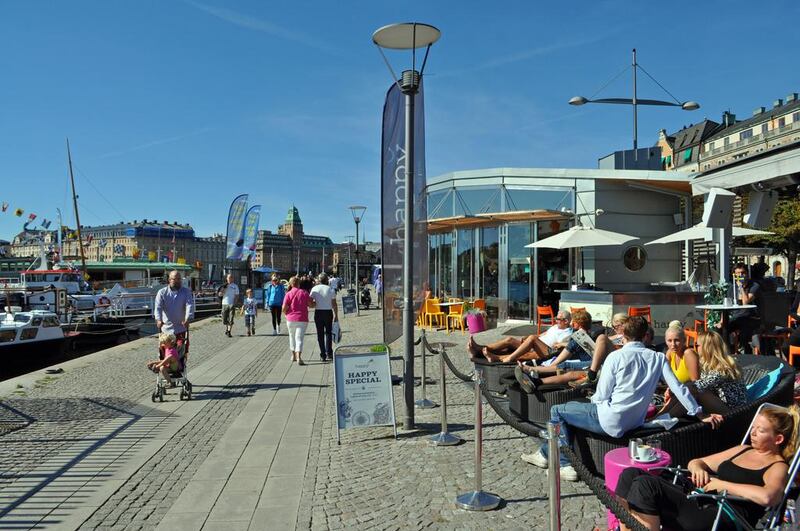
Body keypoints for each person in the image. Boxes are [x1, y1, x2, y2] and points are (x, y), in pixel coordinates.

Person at [521, 316, 723, 481]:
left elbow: (601, 395)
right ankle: (545, 453)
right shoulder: (658, 358)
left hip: (610, 420)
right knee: (571, 410)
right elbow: (679, 389)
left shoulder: (615, 357)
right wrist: (699, 413)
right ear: (645, 336)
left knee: (558, 410)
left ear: (622, 335)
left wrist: (591, 403)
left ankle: (563, 464)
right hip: (635, 421)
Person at [615, 405, 800, 531]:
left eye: (761, 430)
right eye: (754, 427)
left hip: (724, 514)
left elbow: (769, 496)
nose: (753, 432)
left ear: (778, 439)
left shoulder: (777, 466)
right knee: (630, 474)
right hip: (701, 498)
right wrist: (699, 470)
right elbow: (696, 462)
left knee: (646, 485)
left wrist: (722, 484)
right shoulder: (742, 450)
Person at [660, 329, 747, 418]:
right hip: (720, 404)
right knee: (685, 390)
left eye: (697, 345)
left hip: (734, 413)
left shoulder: (724, 367)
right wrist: (673, 390)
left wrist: (676, 389)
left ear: (707, 347)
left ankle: (665, 418)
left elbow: (697, 386)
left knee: (691, 390)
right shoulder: (708, 364)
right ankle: (660, 416)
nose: (695, 347)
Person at [468, 310, 573, 363]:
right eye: (556, 318)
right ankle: (479, 349)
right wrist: (531, 338)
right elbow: (542, 334)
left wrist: (534, 340)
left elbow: (559, 347)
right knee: (510, 340)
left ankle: (500, 358)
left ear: (566, 321)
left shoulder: (567, 333)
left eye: (559, 319)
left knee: (531, 340)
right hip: (534, 345)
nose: (556, 321)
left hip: (545, 353)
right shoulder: (555, 327)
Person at [154, 270, 194, 357]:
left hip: (180, 328)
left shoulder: (186, 292)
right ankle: (164, 367)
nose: (178, 281)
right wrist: (158, 319)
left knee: (181, 351)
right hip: (166, 329)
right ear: (169, 280)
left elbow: (189, 305)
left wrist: (188, 318)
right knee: (165, 353)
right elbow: (158, 307)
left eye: (179, 279)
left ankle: (180, 368)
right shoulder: (162, 292)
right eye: (175, 279)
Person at [728, 262, 763, 354]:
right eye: (738, 273)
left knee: (744, 330)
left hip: (752, 317)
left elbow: (745, 302)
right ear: (734, 275)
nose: (740, 275)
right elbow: (727, 305)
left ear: (747, 274)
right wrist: (721, 320)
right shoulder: (732, 288)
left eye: (743, 273)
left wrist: (741, 287)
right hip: (737, 317)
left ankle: (745, 351)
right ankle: (731, 352)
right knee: (723, 329)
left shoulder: (754, 286)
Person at [283, 276, 314, 365]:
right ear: (298, 284)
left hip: (290, 319)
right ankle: (299, 357)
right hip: (302, 319)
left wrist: (286, 314)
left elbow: (284, 308)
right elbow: (310, 305)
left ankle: (293, 356)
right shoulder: (304, 293)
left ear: (291, 284)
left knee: (291, 337)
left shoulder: (288, 294)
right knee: (299, 338)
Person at [310, 273, 338, 362]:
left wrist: (315, 304)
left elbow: (310, 303)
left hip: (318, 312)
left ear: (319, 280)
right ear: (327, 280)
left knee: (320, 334)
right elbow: (334, 304)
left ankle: (323, 355)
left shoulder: (314, 289)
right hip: (328, 312)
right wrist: (336, 315)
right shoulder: (330, 289)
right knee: (328, 333)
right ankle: (329, 352)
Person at [220, 273, 240, 338]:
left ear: (233, 279)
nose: (230, 279)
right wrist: (223, 290)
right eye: (229, 278)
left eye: (231, 277)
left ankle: (229, 331)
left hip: (231, 304)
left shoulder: (235, 286)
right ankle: (227, 329)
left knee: (231, 318)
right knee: (224, 319)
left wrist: (235, 303)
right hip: (224, 304)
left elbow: (237, 295)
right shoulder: (223, 286)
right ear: (227, 278)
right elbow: (220, 294)